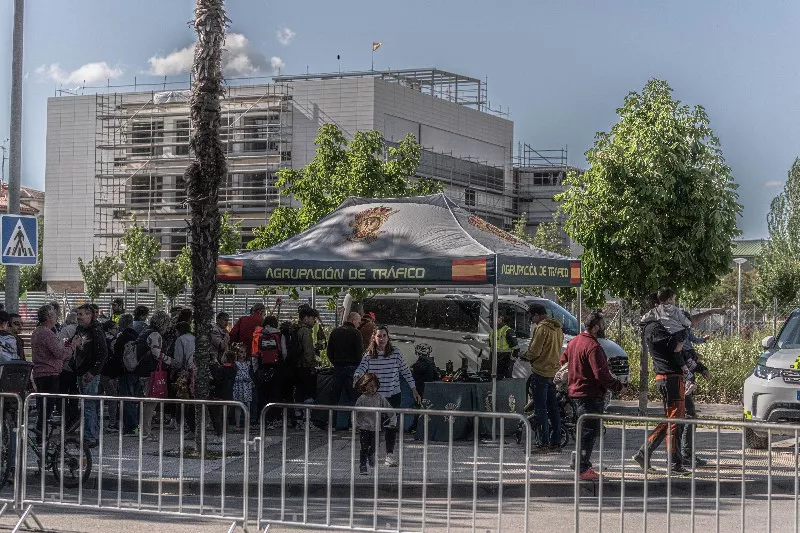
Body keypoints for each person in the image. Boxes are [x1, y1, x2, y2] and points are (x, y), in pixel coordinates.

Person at [560, 311, 625, 481]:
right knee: (589, 432)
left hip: (575, 392)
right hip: (590, 393)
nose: (604, 327)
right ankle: (583, 467)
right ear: (596, 326)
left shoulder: (574, 342)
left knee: (583, 429)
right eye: (603, 324)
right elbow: (601, 375)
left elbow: (563, 360)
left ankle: (581, 463)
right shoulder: (593, 347)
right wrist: (618, 386)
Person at [633, 306, 691, 475]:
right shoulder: (658, 328)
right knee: (675, 422)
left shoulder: (653, 328)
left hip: (667, 377)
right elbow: (676, 349)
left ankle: (645, 452)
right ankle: (673, 464)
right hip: (671, 378)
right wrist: (682, 332)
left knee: (672, 419)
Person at [353, 325, 421, 467]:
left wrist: (414, 389)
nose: (382, 338)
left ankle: (389, 455)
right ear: (374, 338)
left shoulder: (396, 353)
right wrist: (357, 378)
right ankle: (371, 452)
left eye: (384, 335)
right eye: (379, 336)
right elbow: (360, 369)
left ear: (388, 337)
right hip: (376, 397)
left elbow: (406, 372)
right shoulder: (369, 355)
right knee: (374, 427)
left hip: (393, 395)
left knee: (391, 426)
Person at [31, 304, 81, 439]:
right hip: (49, 373)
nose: (56, 317)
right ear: (48, 317)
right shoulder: (47, 332)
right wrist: (73, 346)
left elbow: (52, 350)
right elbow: (60, 354)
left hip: (40, 373)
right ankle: (41, 437)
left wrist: (63, 344)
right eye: (54, 315)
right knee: (46, 409)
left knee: (43, 407)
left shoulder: (37, 331)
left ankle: (40, 435)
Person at [523, 303, 564, 450]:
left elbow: (535, 350)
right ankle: (556, 441)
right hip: (553, 372)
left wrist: (525, 356)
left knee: (540, 409)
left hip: (540, 371)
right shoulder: (558, 328)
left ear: (536, 314)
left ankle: (543, 442)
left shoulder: (541, 328)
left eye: (531, 317)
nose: (532, 320)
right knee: (553, 409)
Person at [68, 303, 109, 447]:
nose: (78, 317)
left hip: (90, 371)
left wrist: (94, 371)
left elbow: (103, 353)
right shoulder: (79, 329)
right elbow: (73, 344)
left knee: (90, 405)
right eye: (78, 314)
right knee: (87, 404)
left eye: (81, 315)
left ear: (89, 315)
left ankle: (90, 436)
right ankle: (92, 433)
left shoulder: (96, 330)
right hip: (80, 370)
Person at [678, 310, 713, 467]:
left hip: (681, 382)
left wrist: (701, 367)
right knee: (687, 416)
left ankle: (683, 454)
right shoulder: (680, 337)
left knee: (685, 417)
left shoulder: (682, 334)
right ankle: (683, 455)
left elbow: (690, 361)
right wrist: (700, 369)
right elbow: (686, 363)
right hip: (680, 384)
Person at [133, 311, 172, 441]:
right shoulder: (155, 334)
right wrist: (170, 361)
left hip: (142, 369)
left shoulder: (145, 331)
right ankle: (145, 432)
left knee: (146, 402)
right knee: (150, 402)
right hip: (150, 370)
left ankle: (144, 430)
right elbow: (157, 353)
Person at [326, 312, 364, 427]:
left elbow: (329, 352)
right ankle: (354, 424)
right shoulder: (356, 333)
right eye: (358, 321)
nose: (359, 323)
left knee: (335, 397)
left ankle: (332, 423)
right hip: (352, 368)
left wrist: (336, 362)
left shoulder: (335, 332)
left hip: (338, 367)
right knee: (354, 397)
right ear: (353, 321)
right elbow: (359, 353)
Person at [354, 372, 396, 475]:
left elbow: (389, 408)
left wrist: (392, 420)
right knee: (363, 446)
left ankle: (370, 454)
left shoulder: (380, 397)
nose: (373, 388)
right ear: (365, 386)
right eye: (370, 386)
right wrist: (355, 424)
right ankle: (362, 465)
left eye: (375, 386)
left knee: (375, 446)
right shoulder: (362, 399)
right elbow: (355, 412)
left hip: (376, 427)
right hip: (364, 427)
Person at [101, 315, 128, 432]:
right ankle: (112, 424)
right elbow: (115, 357)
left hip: (101, 372)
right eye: (115, 328)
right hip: (109, 373)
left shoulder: (102, 339)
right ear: (109, 330)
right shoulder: (112, 341)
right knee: (112, 398)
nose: (117, 330)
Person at [115, 314, 141, 436]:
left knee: (126, 400)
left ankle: (132, 427)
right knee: (134, 399)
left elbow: (117, 356)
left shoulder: (121, 338)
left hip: (125, 372)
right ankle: (135, 425)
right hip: (136, 371)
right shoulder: (137, 336)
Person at [171, 320, 196, 435]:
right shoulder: (194, 338)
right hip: (195, 369)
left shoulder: (180, 339)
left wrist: (174, 370)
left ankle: (180, 422)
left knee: (181, 397)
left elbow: (179, 359)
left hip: (185, 372)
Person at [487, 314, 518, 379]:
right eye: (490, 319)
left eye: (493, 319)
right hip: (494, 361)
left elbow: (516, 348)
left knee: (505, 380)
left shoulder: (508, 331)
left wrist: (511, 362)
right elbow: (491, 347)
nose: (491, 321)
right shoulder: (492, 331)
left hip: (504, 361)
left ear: (500, 319)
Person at [233, 349, 254, 429]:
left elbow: (249, 374)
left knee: (248, 405)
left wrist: (250, 381)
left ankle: (247, 423)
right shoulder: (235, 364)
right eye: (241, 352)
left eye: (244, 352)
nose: (243, 354)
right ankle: (237, 424)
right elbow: (235, 376)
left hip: (247, 387)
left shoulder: (248, 364)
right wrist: (243, 378)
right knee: (238, 406)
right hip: (239, 387)